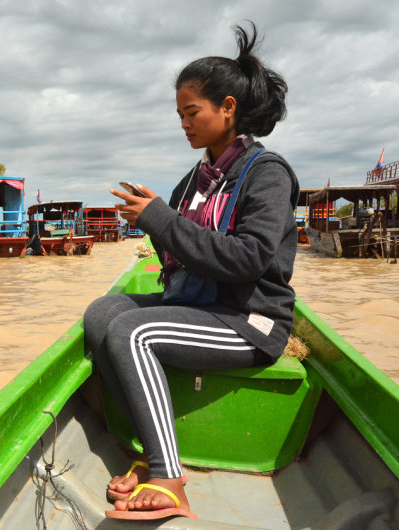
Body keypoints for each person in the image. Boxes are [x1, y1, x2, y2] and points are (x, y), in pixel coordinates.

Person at [83, 22, 299, 521]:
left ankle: (168, 475)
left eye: (192, 112)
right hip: (202, 306)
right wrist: (150, 220)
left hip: (250, 321)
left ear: (228, 109)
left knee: (133, 332)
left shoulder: (266, 173)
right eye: (179, 115)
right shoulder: (196, 179)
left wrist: (161, 218)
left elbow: (247, 258)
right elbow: (182, 250)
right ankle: (147, 445)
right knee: (102, 315)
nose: (184, 123)